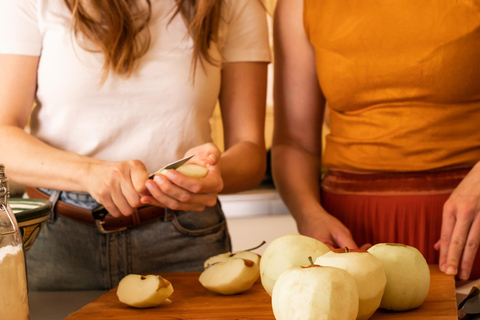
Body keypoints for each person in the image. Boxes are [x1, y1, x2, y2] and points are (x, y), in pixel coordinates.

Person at [0, 0, 270, 290]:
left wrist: (215, 174)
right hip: (55, 236)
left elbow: (251, 151)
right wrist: (87, 172)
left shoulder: (233, 4)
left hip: (185, 236)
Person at [272, 0, 480, 281]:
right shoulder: (299, 4)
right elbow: (294, 140)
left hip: (468, 225)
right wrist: (308, 213)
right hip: (350, 230)